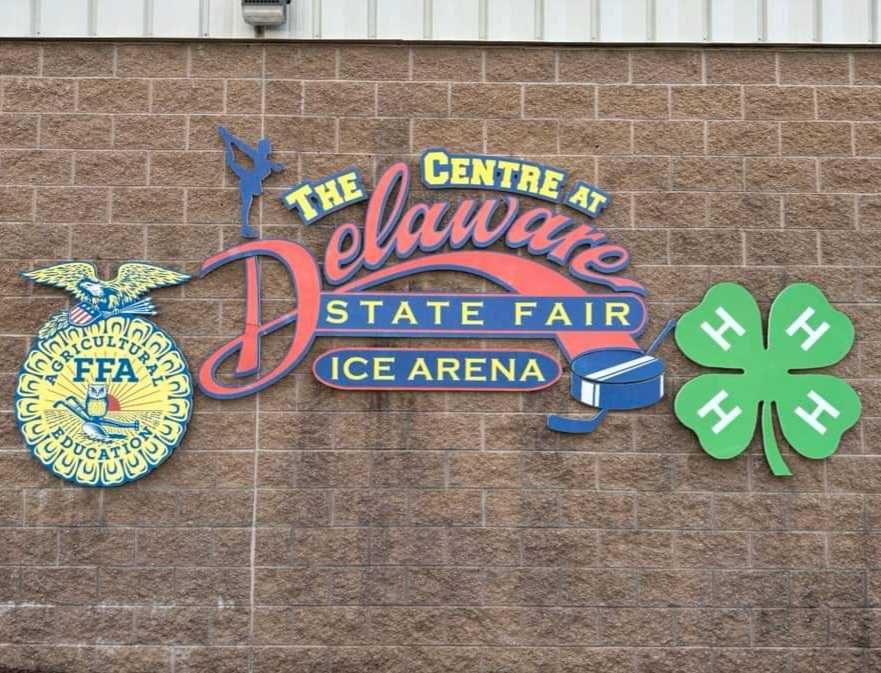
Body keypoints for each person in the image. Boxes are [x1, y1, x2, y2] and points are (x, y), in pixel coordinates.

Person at [218, 125, 284, 238]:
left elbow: (278, 168)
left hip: (252, 181)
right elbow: (243, 147)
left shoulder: (268, 163)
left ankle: (245, 227)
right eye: (265, 147)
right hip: (248, 179)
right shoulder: (257, 157)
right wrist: (231, 139)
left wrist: (280, 166)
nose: (267, 150)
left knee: (247, 203)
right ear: (262, 148)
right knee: (246, 203)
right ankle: (245, 227)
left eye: (267, 148)